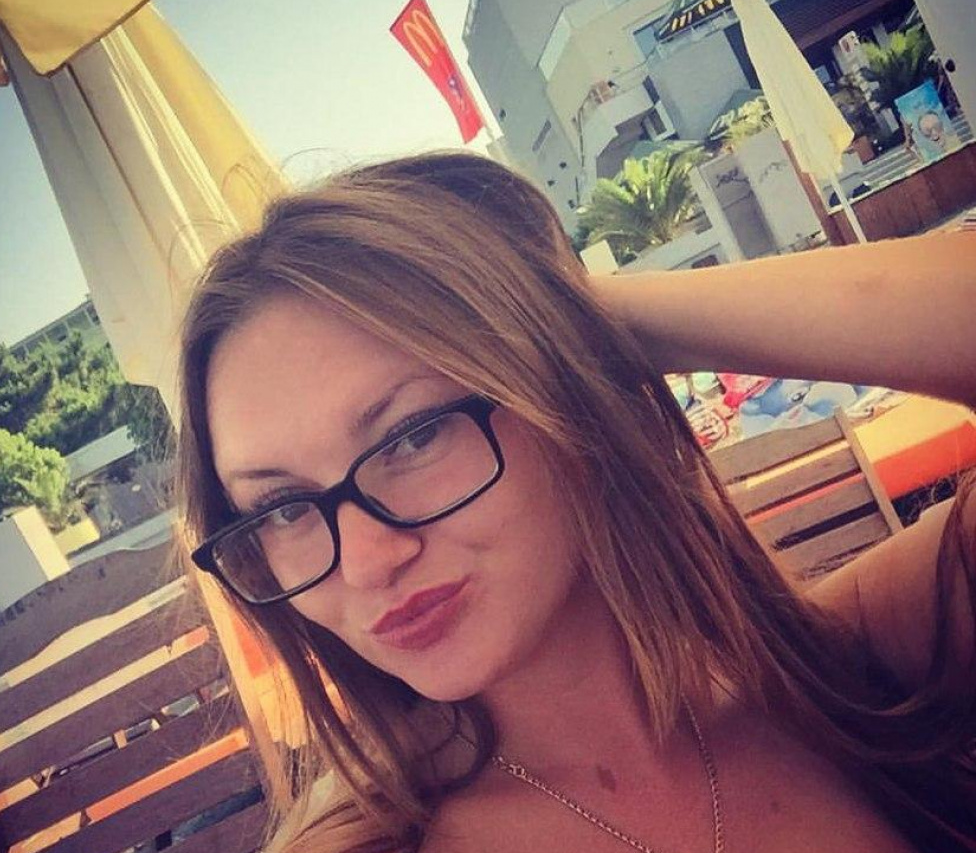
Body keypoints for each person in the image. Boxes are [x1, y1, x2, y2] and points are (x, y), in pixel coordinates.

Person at [177, 152, 976, 853]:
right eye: (282, 510)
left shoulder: (852, 669)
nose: (365, 562)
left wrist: (577, 320)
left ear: (560, 397)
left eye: (413, 437)